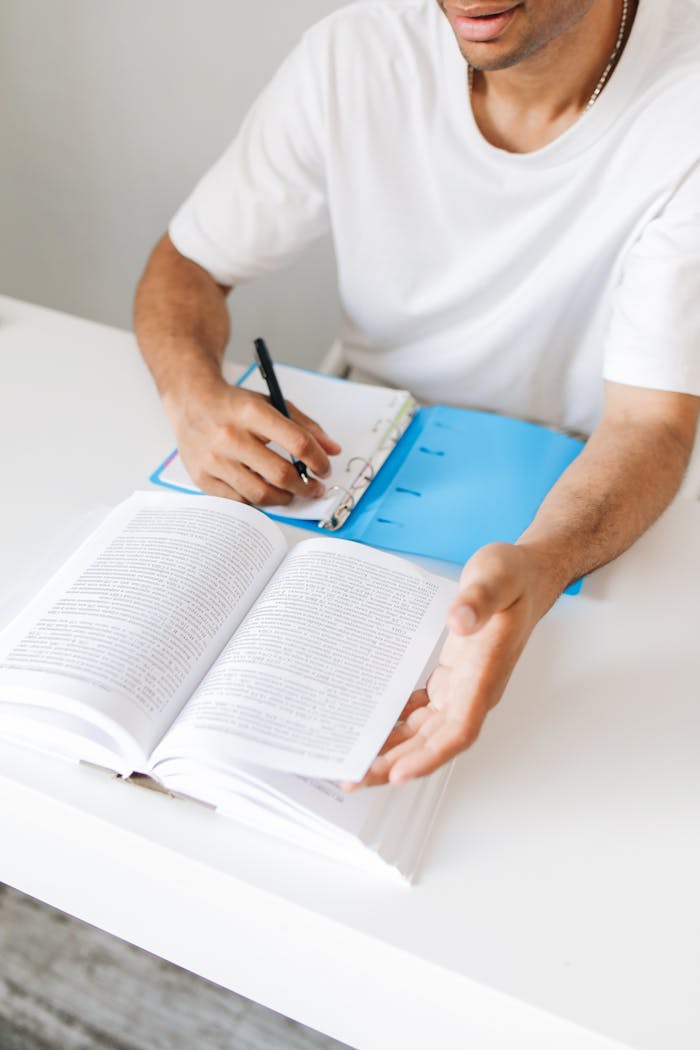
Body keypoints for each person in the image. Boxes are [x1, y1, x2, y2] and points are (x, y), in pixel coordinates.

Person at [135, 0, 700, 788]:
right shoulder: (352, 55)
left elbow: (652, 423)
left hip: (578, 502)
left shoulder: (686, 109)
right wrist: (192, 394)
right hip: (352, 473)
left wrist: (542, 568)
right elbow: (187, 267)